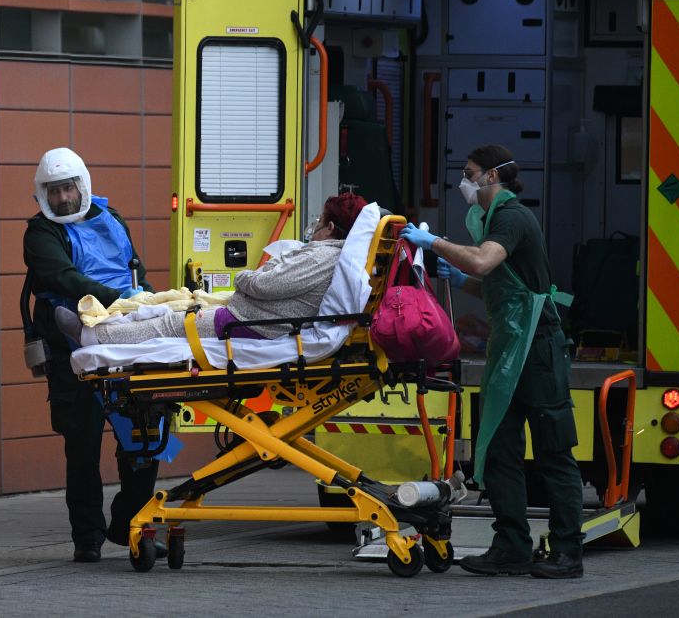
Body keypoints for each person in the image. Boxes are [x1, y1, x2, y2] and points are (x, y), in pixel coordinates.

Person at [401, 145, 583, 579]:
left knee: (553, 452)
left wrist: (434, 244)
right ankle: (511, 547)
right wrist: (461, 281)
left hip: (537, 348)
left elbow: (485, 260)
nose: (465, 181)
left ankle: (567, 552)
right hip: (509, 349)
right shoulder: (490, 218)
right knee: (501, 450)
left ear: (492, 176)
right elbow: (504, 286)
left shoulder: (512, 217)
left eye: (470, 173)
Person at [23, 147, 159, 563]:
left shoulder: (111, 218)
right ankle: (87, 538)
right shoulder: (41, 234)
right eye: (54, 191)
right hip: (72, 349)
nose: (63, 198)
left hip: (127, 339)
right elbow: (64, 278)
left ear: (82, 186)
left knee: (144, 437)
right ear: (43, 194)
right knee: (82, 445)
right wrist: (120, 300)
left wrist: (150, 304)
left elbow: (137, 272)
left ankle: (128, 523)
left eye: (68, 188)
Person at [56, 193, 367, 347]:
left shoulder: (322, 257)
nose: (315, 226)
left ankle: (92, 336)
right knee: (178, 303)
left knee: (171, 324)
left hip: (254, 322)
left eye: (319, 221)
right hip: (256, 315)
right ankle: (107, 322)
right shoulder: (330, 256)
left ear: (330, 228)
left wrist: (245, 277)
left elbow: (265, 285)